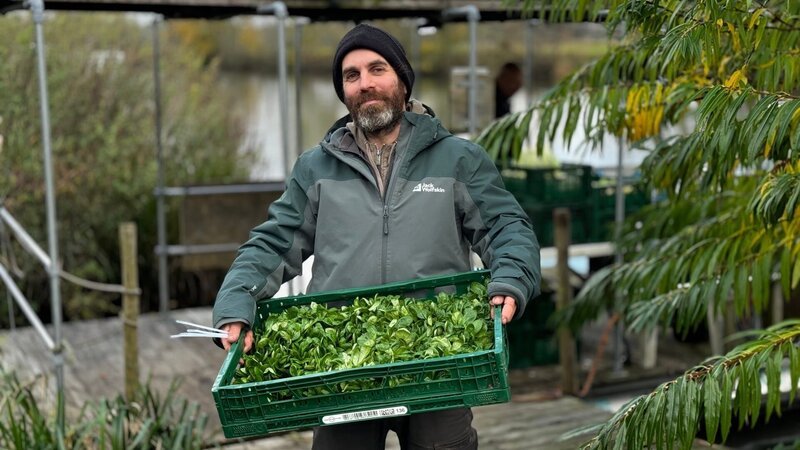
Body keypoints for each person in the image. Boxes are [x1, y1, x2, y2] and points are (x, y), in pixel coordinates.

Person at [212, 23, 541, 450]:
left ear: (402, 80)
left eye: (377, 69)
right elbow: (273, 243)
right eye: (352, 76)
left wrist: (512, 277)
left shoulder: (458, 158)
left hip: (437, 363)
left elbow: (506, 226)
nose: (365, 83)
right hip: (341, 366)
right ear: (344, 91)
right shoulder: (316, 168)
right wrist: (237, 300)